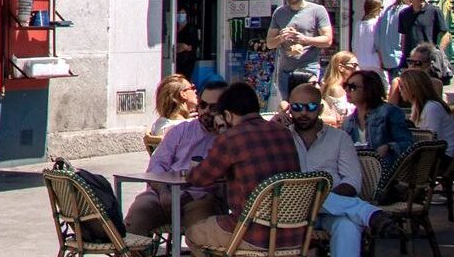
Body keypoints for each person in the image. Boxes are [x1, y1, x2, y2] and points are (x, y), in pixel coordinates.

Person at [183, 82, 303, 251]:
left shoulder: (232, 138)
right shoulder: (283, 132)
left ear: (227, 115)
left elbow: (199, 178)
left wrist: (222, 134)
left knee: (194, 233)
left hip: (252, 233)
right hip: (294, 234)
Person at [283, 82, 383, 257]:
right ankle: (367, 212)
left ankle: (358, 211)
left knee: (348, 226)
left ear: (320, 109)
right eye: (297, 107)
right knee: (303, 197)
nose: (303, 113)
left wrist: (323, 203)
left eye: (310, 107)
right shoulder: (281, 138)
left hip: (335, 209)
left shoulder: (340, 138)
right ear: (289, 109)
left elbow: (352, 182)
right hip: (292, 211)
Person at [122, 79, 225, 243]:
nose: (206, 111)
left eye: (214, 108)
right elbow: (157, 165)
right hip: (164, 194)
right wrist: (163, 190)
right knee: (137, 217)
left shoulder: (229, 138)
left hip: (201, 198)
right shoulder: (181, 130)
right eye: (203, 105)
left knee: (201, 233)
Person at [264, 0, 332, 106]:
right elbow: (270, 43)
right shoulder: (279, 12)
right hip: (286, 70)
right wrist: (281, 38)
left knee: (308, 104)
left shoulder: (317, 11)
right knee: (288, 106)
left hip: (308, 67)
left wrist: (305, 39)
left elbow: (328, 40)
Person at [343, 68, 413, 163]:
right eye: (345, 85)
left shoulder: (389, 112)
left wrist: (388, 147)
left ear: (369, 89)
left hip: (388, 172)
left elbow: (408, 144)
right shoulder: (347, 122)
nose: (347, 90)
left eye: (352, 87)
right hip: (357, 172)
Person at [395, 67, 454, 157]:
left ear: (413, 88)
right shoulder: (417, 106)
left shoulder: (431, 108)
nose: (399, 90)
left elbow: (431, 141)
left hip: (442, 156)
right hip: (430, 153)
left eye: (402, 86)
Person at [374, 0, 411, 78]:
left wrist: (381, 58)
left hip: (387, 59)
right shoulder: (406, 11)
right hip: (400, 58)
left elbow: (377, 36)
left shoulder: (387, 10)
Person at [318, 51, 359, 127]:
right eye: (354, 65)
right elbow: (342, 116)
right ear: (341, 68)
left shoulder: (343, 87)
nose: (357, 69)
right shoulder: (335, 89)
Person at [352, 0, 385, 71]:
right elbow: (378, 44)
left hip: (360, 62)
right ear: (374, 8)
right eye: (381, 7)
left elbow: (354, 44)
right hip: (374, 62)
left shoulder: (358, 24)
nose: (382, 10)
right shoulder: (376, 23)